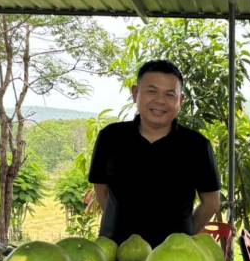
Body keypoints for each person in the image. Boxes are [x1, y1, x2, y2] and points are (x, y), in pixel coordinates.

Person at [89, 59, 221, 248]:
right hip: (116, 252)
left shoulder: (196, 145)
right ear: (136, 93)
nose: (160, 101)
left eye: (170, 94)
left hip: (174, 254)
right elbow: (101, 191)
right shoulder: (111, 137)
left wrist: (185, 234)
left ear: (180, 100)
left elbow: (211, 202)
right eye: (152, 91)